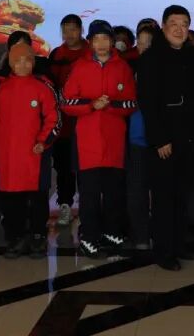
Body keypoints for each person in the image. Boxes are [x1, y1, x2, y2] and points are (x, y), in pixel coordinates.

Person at [137, 4, 194, 271]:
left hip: (187, 139)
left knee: (183, 195)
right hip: (164, 141)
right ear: (164, 26)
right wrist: (159, 139)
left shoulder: (190, 55)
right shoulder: (151, 57)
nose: (180, 29)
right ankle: (164, 251)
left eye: (184, 24)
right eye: (174, 24)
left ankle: (179, 244)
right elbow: (147, 102)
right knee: (164, 198)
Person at [62, 20, 137, 258]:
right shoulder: (80, 67)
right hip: (88, 143)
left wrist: (110, 106)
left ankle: (112, 233)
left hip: (115, 142)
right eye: (97, 39)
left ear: (112, 41)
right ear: (90, 42)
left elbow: (131, 103)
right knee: (90, 195)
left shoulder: (122, 67)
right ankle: (89, 238)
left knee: (115, 192)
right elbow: (67, 102)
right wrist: (91, 105)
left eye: (106, 38)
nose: (102, 43)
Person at [0, 41, 62, 259]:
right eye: (17, 61)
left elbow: (54, 119)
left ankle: (38, 237)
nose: (22, 65)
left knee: (38, 198)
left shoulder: (42, 87)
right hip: (8, 157)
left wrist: (43, 141)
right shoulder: (2, 90)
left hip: (35, 156)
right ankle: (15, 238)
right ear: (11, 64)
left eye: (27, 60)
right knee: (12, 200)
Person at [48, 13, 89, 228]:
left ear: (81, 30)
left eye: (73, 29)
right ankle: (65, 204)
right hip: (62, 123)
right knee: (64, 167)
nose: (69, 34)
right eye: (65, 30)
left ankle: (88, 208)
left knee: (86, 168)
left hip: (86, 122)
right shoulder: (56, 54)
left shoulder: (91, 52)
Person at [126, 22, 157, 250]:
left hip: (161, 142)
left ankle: (160, 233)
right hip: (136, 140)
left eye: (149, 43)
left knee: (161, 192)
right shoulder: (129, 69)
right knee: (137, 191)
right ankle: (140, 236)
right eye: (141, 43)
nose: (144, 47)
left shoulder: (166, 69)